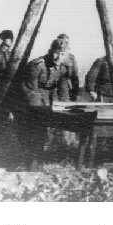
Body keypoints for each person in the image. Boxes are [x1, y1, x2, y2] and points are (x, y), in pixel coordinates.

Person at [13, 38, 67, 168]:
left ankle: (37, 160)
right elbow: (32, 90)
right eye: (56, 53)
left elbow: (62, 87)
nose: (59, 56)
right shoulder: (37, 65)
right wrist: (41, 110)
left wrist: (64, 105)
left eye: (63, 54)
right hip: (28, 101)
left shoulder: (62, 67)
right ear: (50, 51)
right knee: (32, 130)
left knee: (41, 132)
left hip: (45, 100)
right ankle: (29, 162)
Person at [55, 33, 79, 102]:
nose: (63, 44)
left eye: (66, 42)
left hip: (65, 83)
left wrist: (75, 92)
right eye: (62, 42)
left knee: (65, 103)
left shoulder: (71, 57)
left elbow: (75, 73)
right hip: (54, 83)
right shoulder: (53, 55)